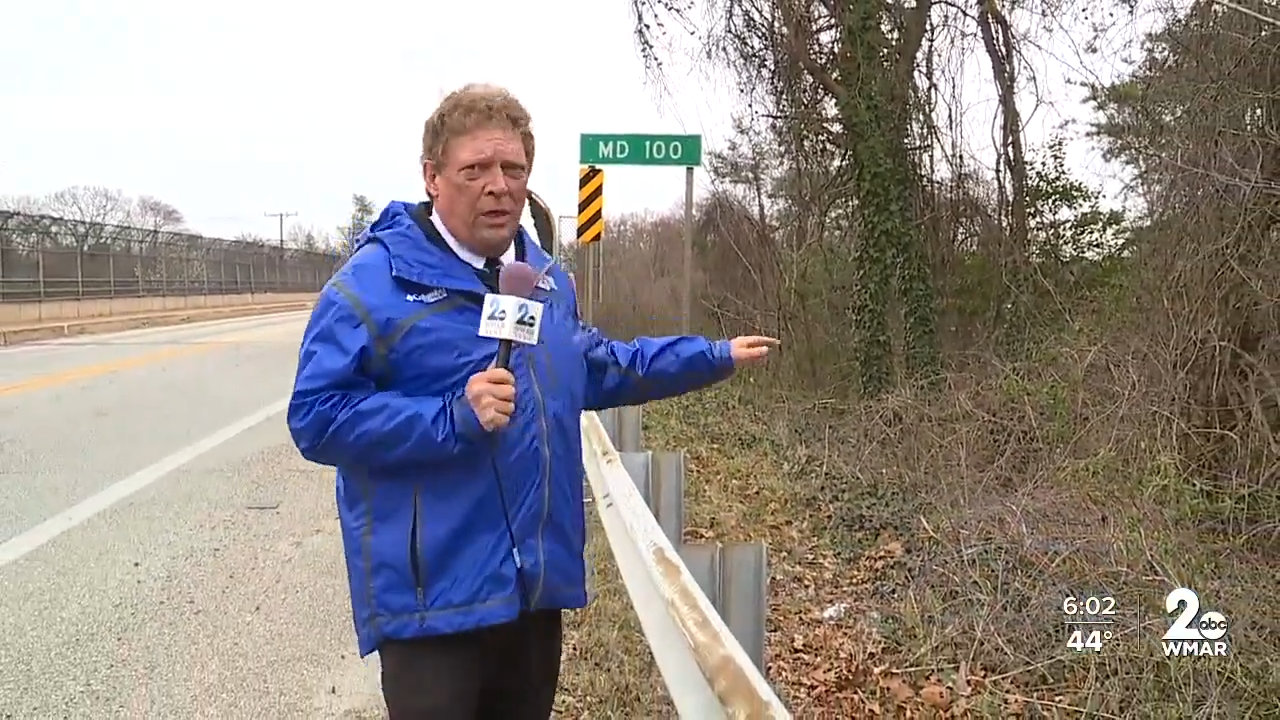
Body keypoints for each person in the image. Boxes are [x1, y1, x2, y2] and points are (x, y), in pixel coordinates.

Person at [286, 83, 779, 720]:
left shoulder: (544, 281)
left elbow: (600, 368)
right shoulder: (374, 286)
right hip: (432, 609)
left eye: (512, 169)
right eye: (476, 170)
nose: (499, 185)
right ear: (433, 177)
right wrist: (450, 417)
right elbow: (316, 416)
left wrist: (711, 356)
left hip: (532, 595)